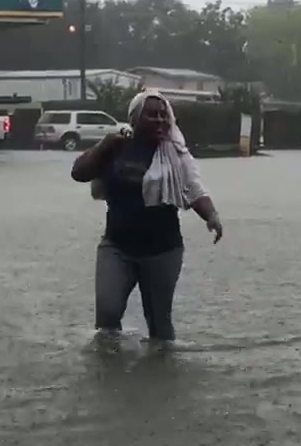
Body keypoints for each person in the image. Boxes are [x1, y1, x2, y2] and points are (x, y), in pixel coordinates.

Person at [70, 90, 224, 345]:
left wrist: (212, 216)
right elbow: (78, 172)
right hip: (117, 246)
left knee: (159, 325)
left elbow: (194, 189)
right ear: (135, 118)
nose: (160, 121)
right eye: (152, 115)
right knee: (107, 315)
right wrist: (104, 145)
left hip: (162, 250)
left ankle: (162, 374)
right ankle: (110, 374)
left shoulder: (176, 152)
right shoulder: (117, 146)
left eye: (164, 115)